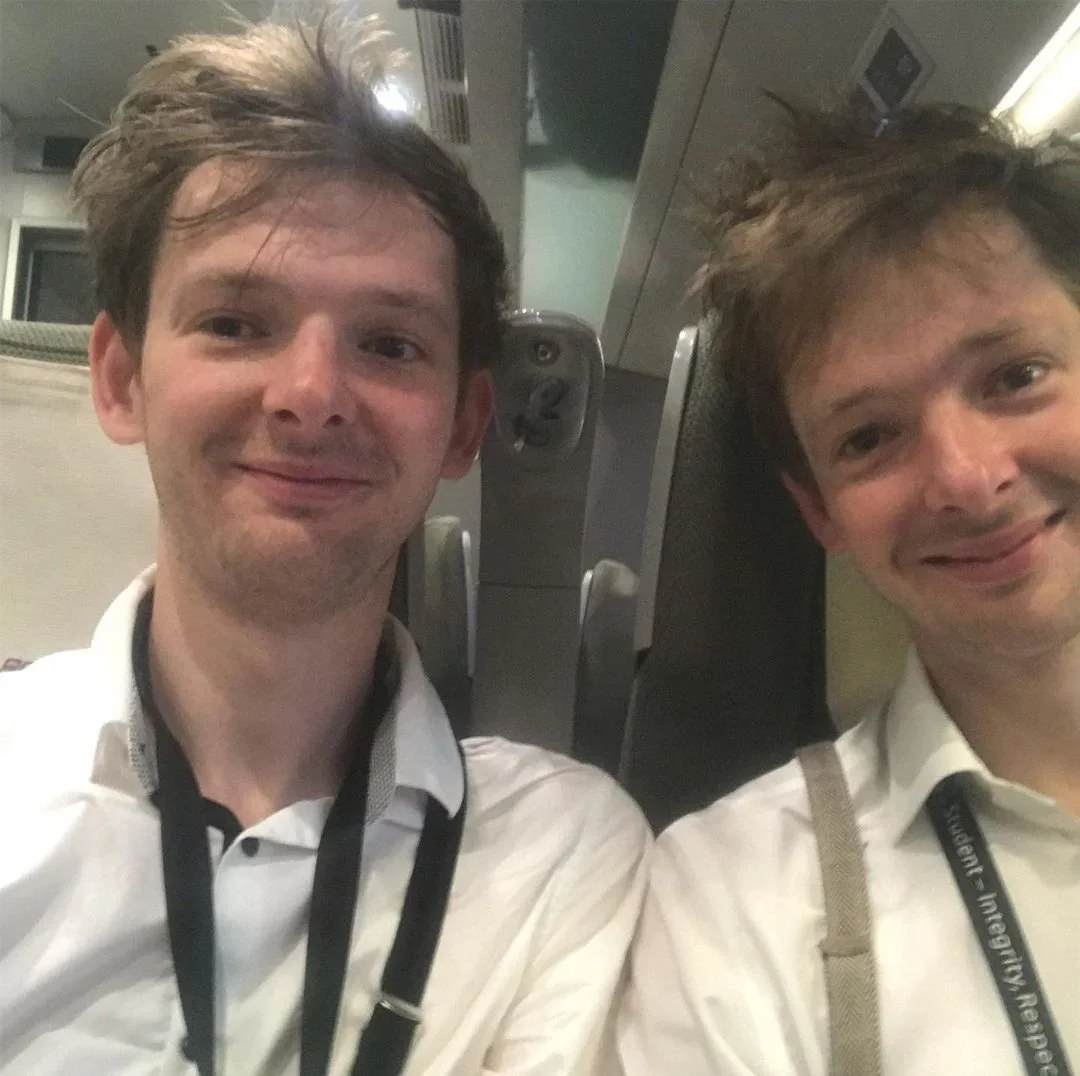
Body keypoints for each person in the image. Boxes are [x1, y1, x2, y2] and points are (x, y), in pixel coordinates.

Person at [0, 18, 649, 1076]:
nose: (311, 395)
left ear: (463, 424)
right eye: (236, 323)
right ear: (120, 379)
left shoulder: (558, 856)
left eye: (389, 343)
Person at [616, 99, 1080, 1074]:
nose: (967, 478)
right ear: (819, 510)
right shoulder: (737, 902)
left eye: (1014, 376)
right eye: (869, 437)